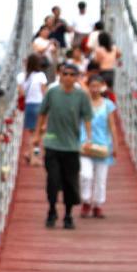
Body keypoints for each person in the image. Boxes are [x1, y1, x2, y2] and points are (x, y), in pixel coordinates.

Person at [33, 62, 94, 229]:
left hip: (72, 146)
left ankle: (68, 215)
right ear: (60, 75)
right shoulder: (52, 93)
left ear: (76, 78)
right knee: (52, 180)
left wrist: (88, 138)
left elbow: (87, 118)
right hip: (52, 144)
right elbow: (42, 113)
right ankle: (52, 210)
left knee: (70, 182)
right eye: (65, 74)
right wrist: (37, 134)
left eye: (72, 75)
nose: (68, 77)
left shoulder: (81, 96)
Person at [79, 74, 120, 219]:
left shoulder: (108, 104)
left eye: (97, 86)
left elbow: (112, 126)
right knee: (86, 174)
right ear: (88, 87)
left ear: (102, 87)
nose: (95, 89)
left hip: (103, 145)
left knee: (101, 178)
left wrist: (115, 146)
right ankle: (85, 201)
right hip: (85, 145)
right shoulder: (82, 103)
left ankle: (97, 205)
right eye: (92, 86)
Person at [17, 53, 48, 164]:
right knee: (39, 134)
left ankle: (31, 154)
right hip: (40, 106)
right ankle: (35, 157)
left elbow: (21, 93)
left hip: (29, 106)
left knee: (32, 133)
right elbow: (45, 93)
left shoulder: (21, 76)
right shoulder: (41, 76)